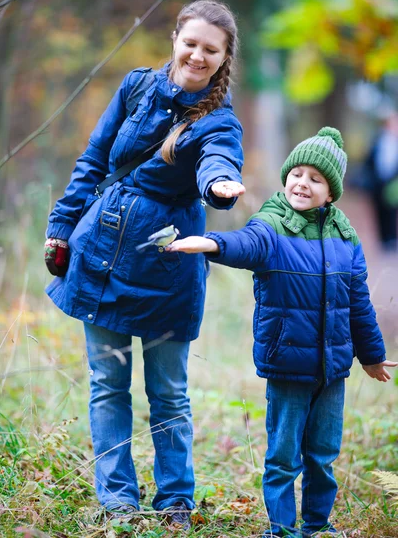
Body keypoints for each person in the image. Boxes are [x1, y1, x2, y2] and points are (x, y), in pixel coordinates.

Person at [44, 0, 245, 528]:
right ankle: (118, 502)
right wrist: (61, 228)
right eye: (192, 43)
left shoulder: (218, 120)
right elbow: (93, 160)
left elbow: (219, 159)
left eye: (211, 50)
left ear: (224, 58)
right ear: (176, 37)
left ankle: (176, 502)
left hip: (166, 266)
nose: (198, 56)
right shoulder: (136, 87)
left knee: (169, 393)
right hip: (100, 255)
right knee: (107, 384)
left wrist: (220, 187)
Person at [167, 126, 397, 537]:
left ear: (331, 192)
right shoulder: (274, 224)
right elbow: (248, 244)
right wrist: (211, 244)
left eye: (316, 179)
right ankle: (281, 529)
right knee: (284, 455)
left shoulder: (345, 237)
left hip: (333, 369)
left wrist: (372, 355)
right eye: (297, 173)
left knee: (323, 454)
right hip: (288, 365)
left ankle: (317, 525)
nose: (302, 184)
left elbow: (358, 303)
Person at [364, 111, 398, 251]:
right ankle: (383, 239)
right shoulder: (378, 139)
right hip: (378, 182)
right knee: (379, 211)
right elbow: (369, 159)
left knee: (392, 211)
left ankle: (392, 238)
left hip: (393, 182)